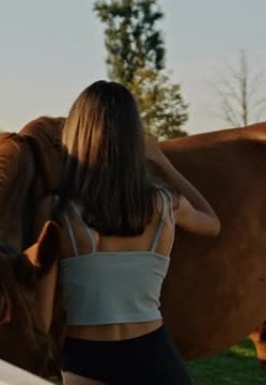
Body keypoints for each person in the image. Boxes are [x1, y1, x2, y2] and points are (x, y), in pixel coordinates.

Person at [36, 80, 221, 385]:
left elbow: (43, 320)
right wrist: (163, 162)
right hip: (156, 357)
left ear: (77, 134)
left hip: (85, 363)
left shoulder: (54, 212)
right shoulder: (165, 204)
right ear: (133, 139)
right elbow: (212, 223)